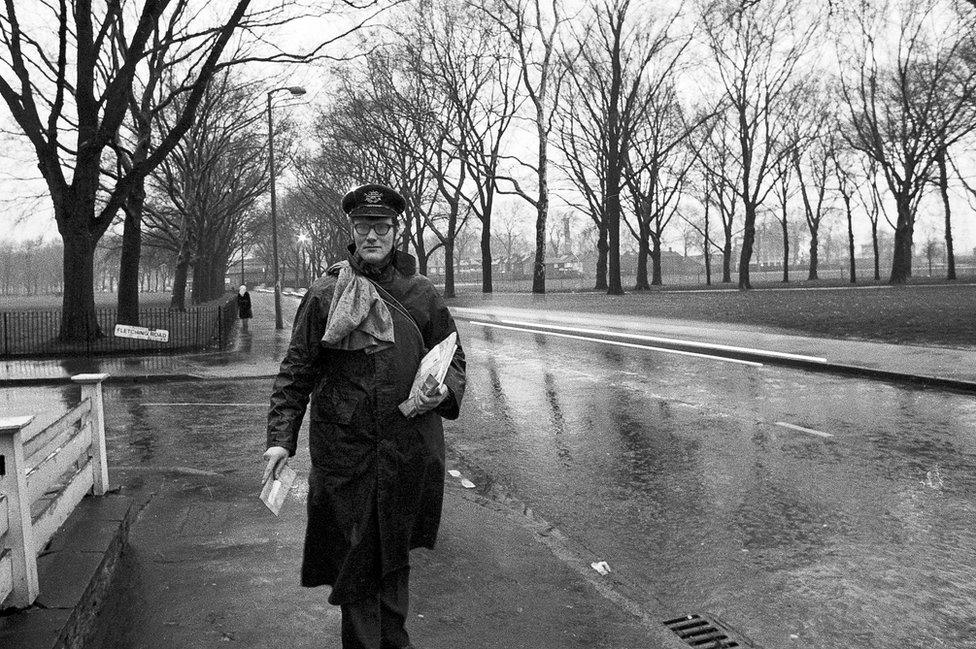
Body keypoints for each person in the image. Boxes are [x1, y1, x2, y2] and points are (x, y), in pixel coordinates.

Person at [263, 183, 466, 649]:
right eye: (363, 226)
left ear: (397, 232)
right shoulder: (325, 294)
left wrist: (443, 390)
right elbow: (296, 371)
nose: (371, 235)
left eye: (381, 227)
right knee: (355, 559)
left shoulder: (422, 296)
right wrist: (280, 438)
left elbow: (454, 359)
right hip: (346, 456)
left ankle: (394, 643)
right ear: (351, 232)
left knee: (393, 558)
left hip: (406, 450)